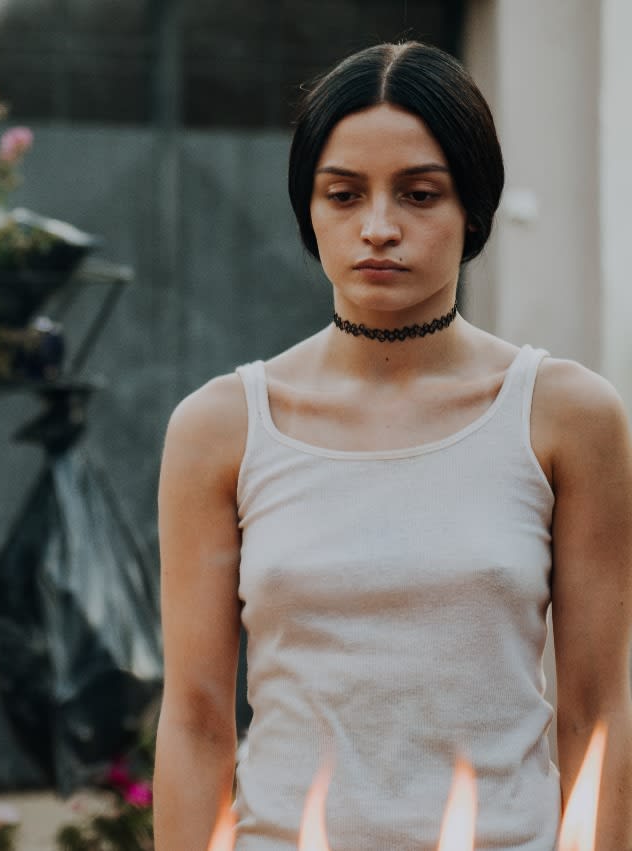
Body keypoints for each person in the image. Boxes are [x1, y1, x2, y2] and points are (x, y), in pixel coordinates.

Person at [154, 41, 632, 849]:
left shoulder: (567, 417)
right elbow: (197, 721)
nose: (379, 228)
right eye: (344, 194)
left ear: (472, 208)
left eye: (419, 193)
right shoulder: (221, 427)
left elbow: (600, 712)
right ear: (309, 208)